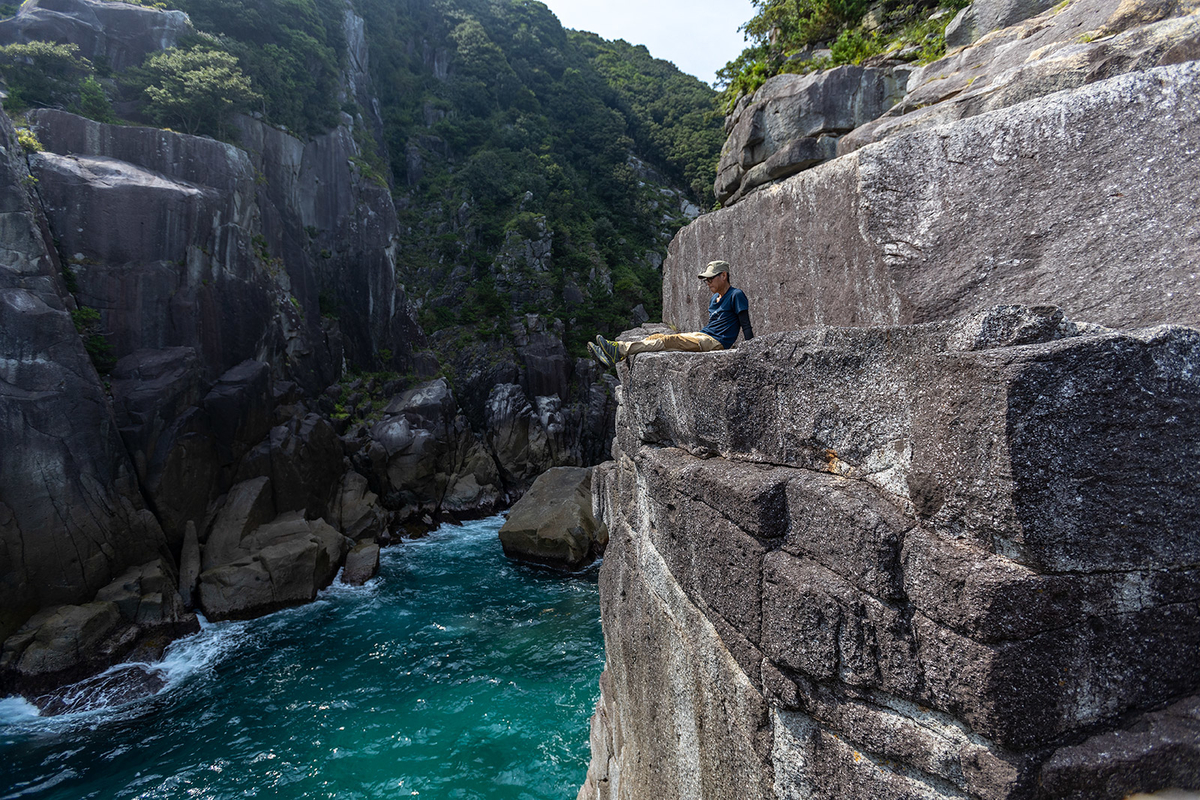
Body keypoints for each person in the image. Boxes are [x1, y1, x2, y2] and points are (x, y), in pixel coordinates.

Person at [588, 260, 753, 368]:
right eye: (706, 280)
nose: (707, 283)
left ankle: (618, 349)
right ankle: (612, 357)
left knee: (669, 339)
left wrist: (751, 350)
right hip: (703, 335)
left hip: (715, 343)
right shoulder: (714, 299)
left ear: (723, 275)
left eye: (710, 279)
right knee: (656, 336)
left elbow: (745, 324)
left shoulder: (735, 295)